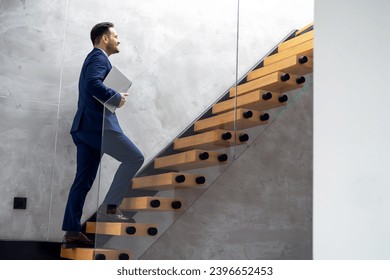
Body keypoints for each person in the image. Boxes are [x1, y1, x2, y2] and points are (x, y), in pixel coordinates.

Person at [61, 22, 144, 248]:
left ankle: (71, 231)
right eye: (116, 36)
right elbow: (93, 84)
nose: (119, 40)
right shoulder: (99, 58)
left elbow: (92, 86)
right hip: (98, 127)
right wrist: (117, 97)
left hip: (85, 128)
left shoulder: (94, 58)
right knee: (135, 158)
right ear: (104, 38)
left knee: (83, 182)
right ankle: (110, 208)